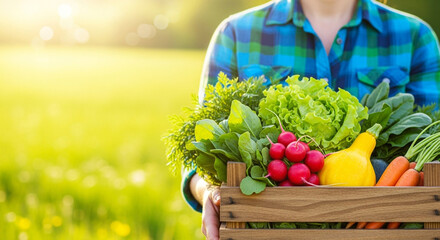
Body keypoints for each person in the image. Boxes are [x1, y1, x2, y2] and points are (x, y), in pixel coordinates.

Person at [182, 0, 440, 239]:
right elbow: (200, 150)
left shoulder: (415, 37)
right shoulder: (236, 33)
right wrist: (210, 192)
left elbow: (433, 143)